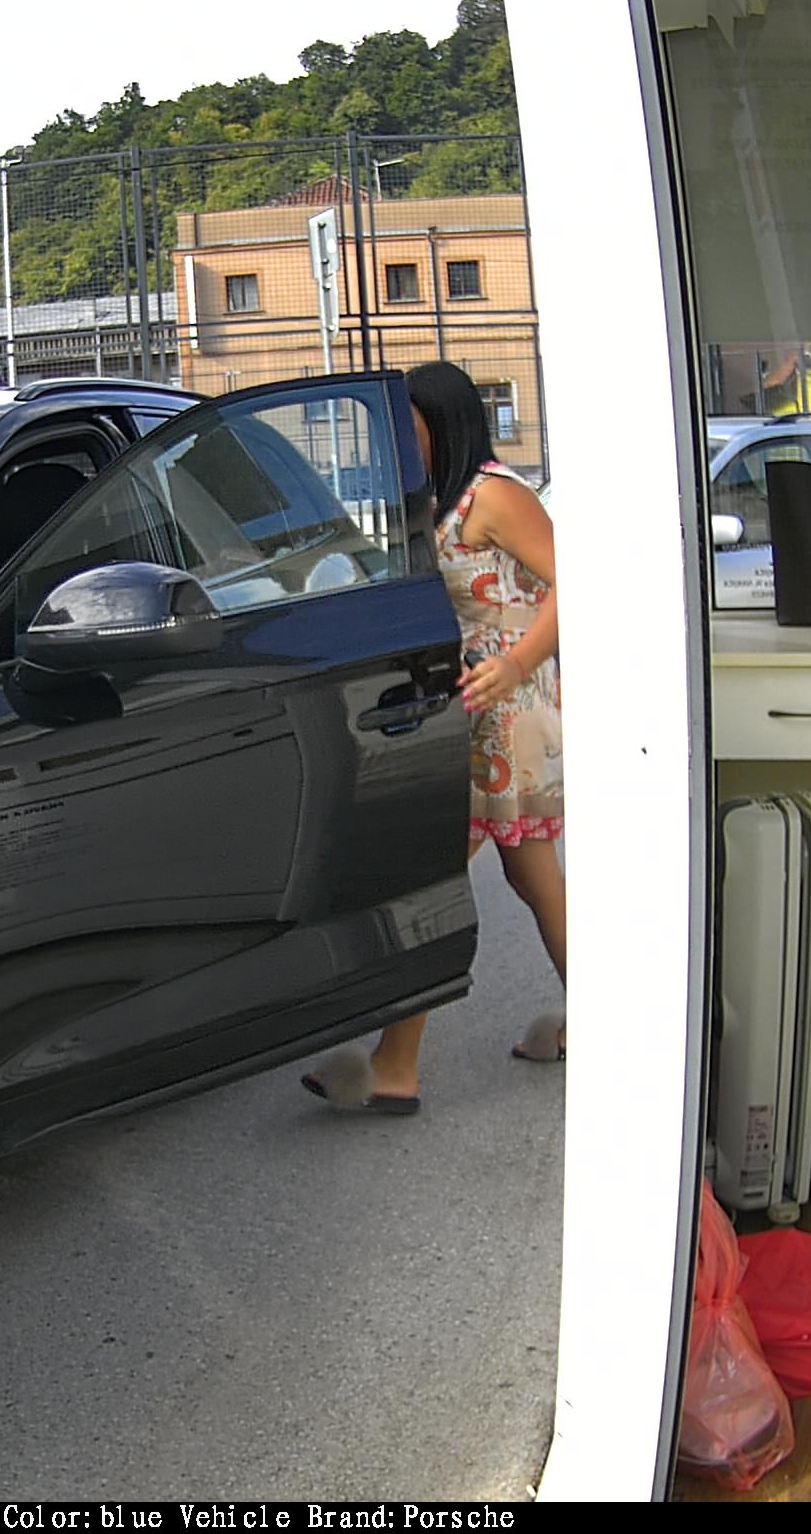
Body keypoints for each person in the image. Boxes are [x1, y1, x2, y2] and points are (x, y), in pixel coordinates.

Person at [304, 361, 568, 1115]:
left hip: (504, 712)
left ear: (444, 424)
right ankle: (618, 1025)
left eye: (410, 428)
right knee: (531, 878)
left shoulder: (495, 495)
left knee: (431, 881)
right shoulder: (441, 499)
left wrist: (515, 663)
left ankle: (396, 1064)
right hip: (475, 709)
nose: (399, 442)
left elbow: (582, 582)